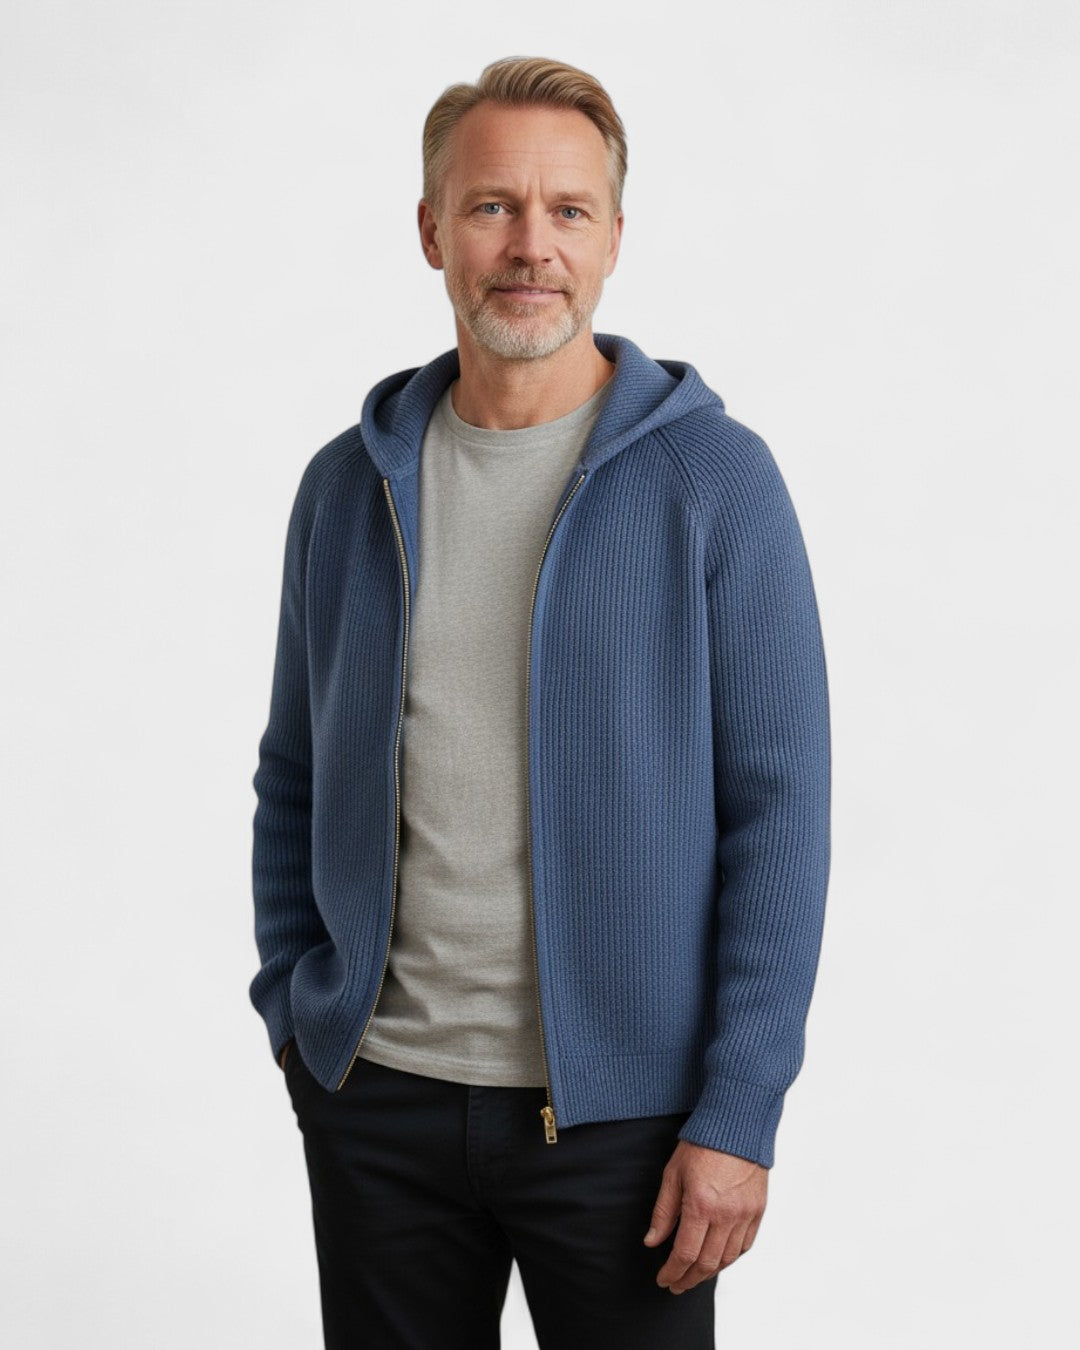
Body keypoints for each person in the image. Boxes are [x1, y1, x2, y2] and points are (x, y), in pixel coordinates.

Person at [249, 54, 831, 1350]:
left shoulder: (715, 483)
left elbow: (779, 815)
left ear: (615, 237)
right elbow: (295, 771)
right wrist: (301, 1018)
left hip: (631, 1126)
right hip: (379, 1101)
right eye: (492, 206)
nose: (531, 246)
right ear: (431, 231)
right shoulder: (348, 487)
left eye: (568, 210)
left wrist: (740, 1112)